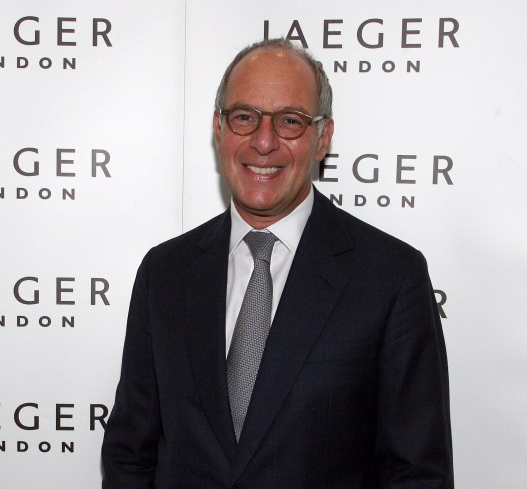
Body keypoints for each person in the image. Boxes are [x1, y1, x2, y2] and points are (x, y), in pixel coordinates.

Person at [101, 38, 453, 488]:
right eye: (245, 117)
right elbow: (130, 453)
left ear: (322, 137)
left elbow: (417, 473)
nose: (263, 142)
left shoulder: (390, 277)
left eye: (290, 121)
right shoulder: (165, 273)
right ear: (219, 128)